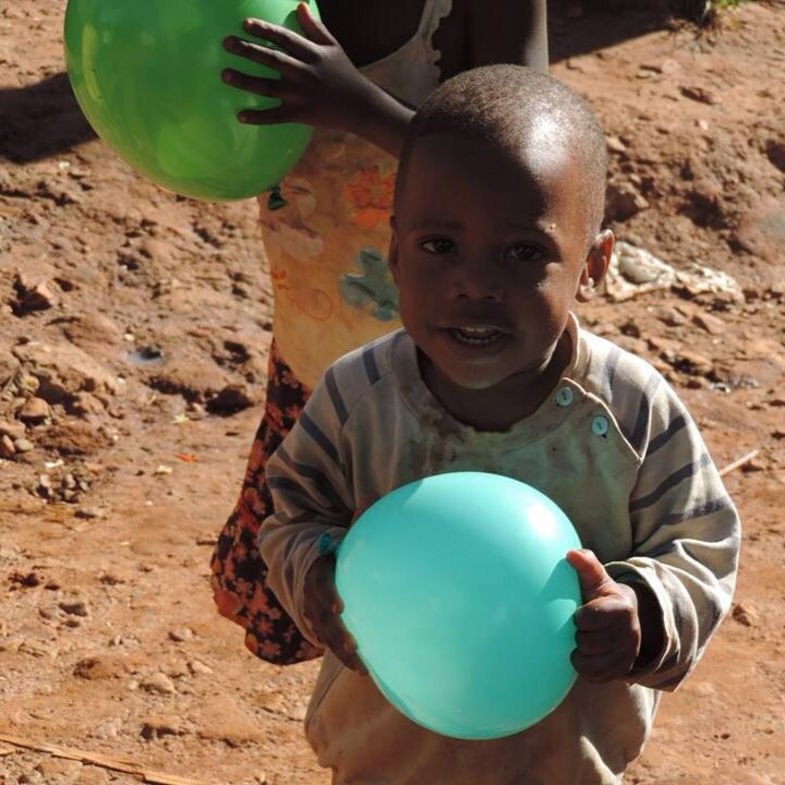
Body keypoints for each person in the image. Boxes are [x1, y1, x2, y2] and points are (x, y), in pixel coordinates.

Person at [257, 65, 741, 784]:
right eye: (439, 246)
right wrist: (320, 578)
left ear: (591, 264)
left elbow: (699, 547)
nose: (475, 282)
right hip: (383, 753)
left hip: (561, 761)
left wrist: (640, 606)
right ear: (394, 249)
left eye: (522, 252)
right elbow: (289, 512)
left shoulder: (633, 412)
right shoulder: (358, 396)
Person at [210, 0, 549, 663]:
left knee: (446, 617)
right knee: (324, 611)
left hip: (453, 389)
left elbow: (525, 168)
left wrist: (357, 106)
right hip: (313, 364)